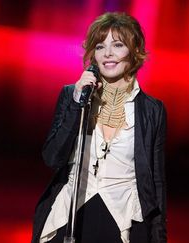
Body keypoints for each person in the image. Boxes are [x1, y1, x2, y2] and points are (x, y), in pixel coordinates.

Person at [31, 12, 167, 243]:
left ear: (134, 52)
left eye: (118, 45)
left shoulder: (152, 110)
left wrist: (158, 237)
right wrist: (76, 103)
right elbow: (52, 157)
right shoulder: (73, 95)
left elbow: (156, 181)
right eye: (100, 46)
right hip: (72, 213)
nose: (108, 54)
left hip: (122, 217)